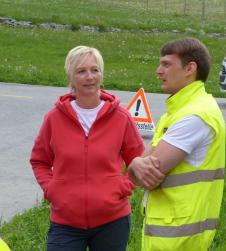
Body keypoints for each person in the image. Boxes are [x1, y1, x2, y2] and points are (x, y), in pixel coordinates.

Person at [30, 45, 144, 251]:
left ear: (102, 74)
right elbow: (39, 160)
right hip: (66, 222)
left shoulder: (121, 117)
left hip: (112, 221)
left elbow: (138, 160)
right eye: (81, 71)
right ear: (70, 78)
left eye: (95, 70)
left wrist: (122, 186)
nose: (89, 77)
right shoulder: (54, 118)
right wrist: (52, 189)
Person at [128, 37, 226, 250]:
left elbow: (145, 177)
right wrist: (135, 164)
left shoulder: (195, 116)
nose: (158, 70)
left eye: (166, 64)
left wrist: (135, 165)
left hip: (177, 237)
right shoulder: (182, 110)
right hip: (171, 230)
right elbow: (140, 168)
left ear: (190, 68)